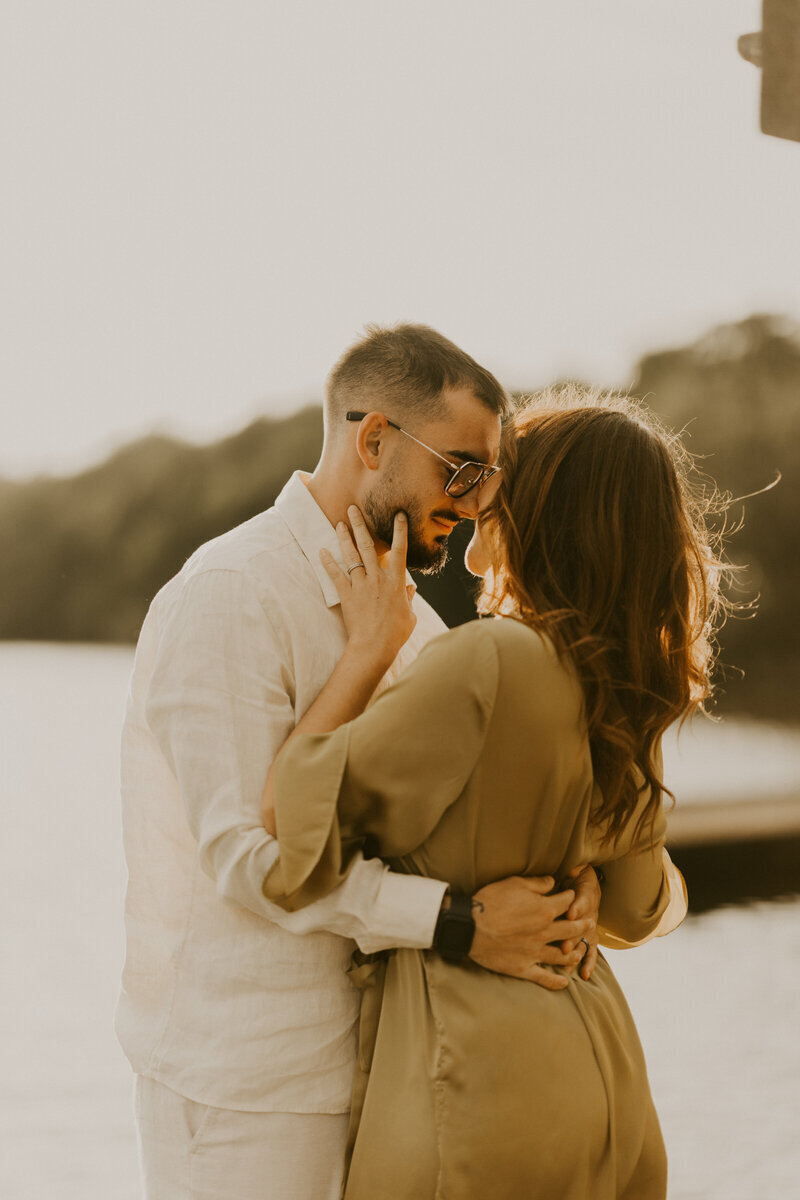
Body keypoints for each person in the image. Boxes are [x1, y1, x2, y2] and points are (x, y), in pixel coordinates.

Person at [117, 327, 685, 1200]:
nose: (475, 502)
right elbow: (247, 857)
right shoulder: (232, 592)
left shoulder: (424, 628)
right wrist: (456, 922)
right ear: (373, 439)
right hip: (252, 1083)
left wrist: (582, 884)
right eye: (460, 470)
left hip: (398, 1067)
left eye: (490, 480)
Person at [261, 386, 714, 1199]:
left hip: (476, 1095)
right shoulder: (620, 690)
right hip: (605, 1088)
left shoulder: (491, 662)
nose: (472, 510)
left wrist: (365, 654)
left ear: (540, 512)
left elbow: (296, 825)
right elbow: (644, 908)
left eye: (494, 486)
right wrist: (582, 884)